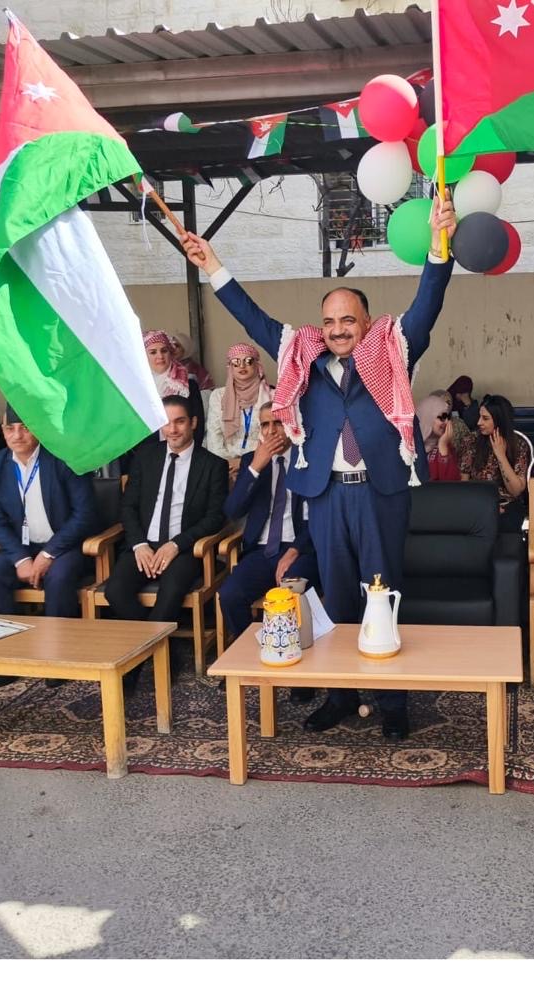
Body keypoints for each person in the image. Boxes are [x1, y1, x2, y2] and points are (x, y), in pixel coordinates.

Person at [184, 199, 457, 741]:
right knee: (336, 597)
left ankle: (392, 702)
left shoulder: (393, 348)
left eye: (347, 320)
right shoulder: (300, 356)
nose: (337, 329)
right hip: (326, 496)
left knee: (383, 594)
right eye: (329, 321)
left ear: (365, 322)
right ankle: (340, 695)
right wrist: (212, 266)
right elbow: (253, 317)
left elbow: (429, 300)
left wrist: (438, 246)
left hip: (380, 493)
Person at [104, 395, 228, 686]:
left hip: (184, 549)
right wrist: (139, 545)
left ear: (193, 423)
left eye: (180, 422)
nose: (172, 429)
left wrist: (176, 544)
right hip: (143, 546)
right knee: (115, 591)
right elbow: (128, 507)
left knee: (170, 594)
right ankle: (164, 654)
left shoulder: (213, 465)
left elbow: (214, 518)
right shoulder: (145, 457)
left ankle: (134, 666)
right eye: (166, 423)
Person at [0, 407, 99, 687]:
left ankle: (58, 658)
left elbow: (85, 515)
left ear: (39, 428)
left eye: (25, 427)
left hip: (64, 545)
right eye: (10, 429)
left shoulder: (64, 458)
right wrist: (21, 559)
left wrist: (47, 554)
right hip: (21, 548)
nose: (17, 435)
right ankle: (9, 657)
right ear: (2, 432)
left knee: (58, 577)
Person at [217, 402, 319, 639]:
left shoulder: (306, 459)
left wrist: (294, 550)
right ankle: (251, 651)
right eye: (265, 425)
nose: (271, 431)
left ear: (291, 425)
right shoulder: (252, 461)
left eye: (278, 423)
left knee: (290, 591)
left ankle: (289, 649)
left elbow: (318, 517)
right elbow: (232, 510)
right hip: (261, 551)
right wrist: (255, 467)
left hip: (300, 549)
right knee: (230, 595)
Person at [459, 393, 529, 530]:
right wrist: (486, 506)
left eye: (485, 418)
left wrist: (501, 455)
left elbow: (515, 491)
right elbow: (464, 484)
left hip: (508, 506)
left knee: (508, 523)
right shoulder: (471, 441)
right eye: (480, 417)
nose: (479, 422)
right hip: (477, 503)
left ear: (499, 420)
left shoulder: (518, 445)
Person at [206, 342, 272, 479]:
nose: (242, 366)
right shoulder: (219, 396)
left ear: (257, 365)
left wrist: (245, 463)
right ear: (230, 367)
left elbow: (273, 437)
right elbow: (214, 436)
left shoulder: (272, 396)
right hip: (225, 466)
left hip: (262, 463)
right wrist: (225, 465)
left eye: (248, 361)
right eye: (236, 362)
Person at [143, 330, 206, 447]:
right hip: (146, 451)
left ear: (170, 353)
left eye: (164, 351)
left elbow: (198, 424)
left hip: (183, 450)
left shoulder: (187, 384)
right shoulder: (140, 386)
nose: (160, 356)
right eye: (153, 352)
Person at [415, 393, 460, 482]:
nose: (446, 422)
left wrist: (443, 446)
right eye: (442, 417)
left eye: (447, 417)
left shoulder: (446, 446)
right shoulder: (408, 446)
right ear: (428, 417)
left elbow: (452, 485)